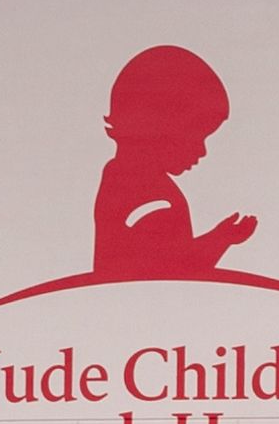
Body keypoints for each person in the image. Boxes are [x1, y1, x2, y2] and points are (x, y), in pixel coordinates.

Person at [88, 44, 262, 284]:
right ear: (157, 127)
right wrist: (221, 240)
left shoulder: (119, 175)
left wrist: (220, 237)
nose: (202, 151)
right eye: (197, 136)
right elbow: (172, 272)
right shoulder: (151, 197)